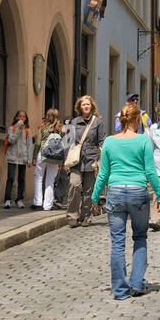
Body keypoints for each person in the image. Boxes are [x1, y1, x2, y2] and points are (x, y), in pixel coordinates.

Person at [90, 104, 160, 299]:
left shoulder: (109, 142)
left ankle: (120, 290)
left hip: (115, 192)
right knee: (140, 238)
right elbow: (150, 171)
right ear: (135, 120)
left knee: (117, 242)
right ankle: (137, 283)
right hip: (137, 192)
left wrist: (95, 195)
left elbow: (103, 172)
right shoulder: (143, 141)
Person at [65, 95, 106, 227]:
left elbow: (102, 142)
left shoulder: (98, 123)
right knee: (74, 185)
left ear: (92, 106)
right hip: (76, 159)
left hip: (92, 159)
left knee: (89, 190)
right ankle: (72, 216)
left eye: (88, 104)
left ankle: (86, 216)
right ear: (79, 107)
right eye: (83, 104)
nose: (86, 106)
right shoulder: (74, 122)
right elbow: (69, 141)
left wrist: (101, 160)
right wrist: (66, 158)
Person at [32, 108, 66, 211]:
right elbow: (64, 145)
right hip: (56, 157)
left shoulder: (43, 128)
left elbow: (37, 143)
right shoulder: (62, 129)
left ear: (47, 116)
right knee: (50, 180)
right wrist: (63, 160)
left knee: (39, 177)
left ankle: (38, 202)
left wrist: (34, 157)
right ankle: (47, 205)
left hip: (43, 154)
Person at [1, 110, 33, 209]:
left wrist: (29, 159)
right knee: (10, 178)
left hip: (23, 157)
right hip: (12, 156)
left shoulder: (28, 131)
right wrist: (18, 129)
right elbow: (11, 140)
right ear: (16, 118)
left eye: (23, 117)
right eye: (19, 116)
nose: (21, 118)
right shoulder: (12, 128)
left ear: (26, 119)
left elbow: (30, 145)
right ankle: (7, 200)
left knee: (21, 179)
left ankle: (19, 199)